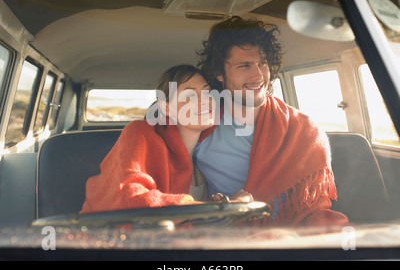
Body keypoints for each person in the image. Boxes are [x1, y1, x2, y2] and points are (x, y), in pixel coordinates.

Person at [194, 16, 349, 227]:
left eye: (262, 63)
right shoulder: (200, 127)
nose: (258, 75)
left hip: (290, 242)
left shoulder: (304, 128)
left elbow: (315, 208)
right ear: (219, 73)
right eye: (244, 66)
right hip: (224, 240)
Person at [80, 64, 215, 213]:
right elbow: (129, 199)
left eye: (207, 92)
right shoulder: (139, 132)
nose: (204, 100)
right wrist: (212, 208)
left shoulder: (208, 151)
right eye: (189, 95)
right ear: (166, 108)